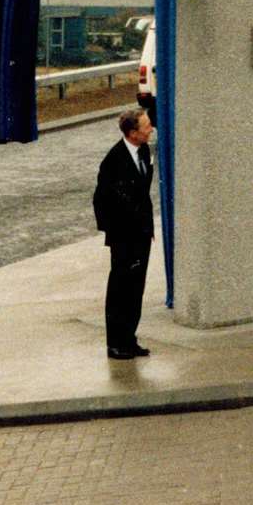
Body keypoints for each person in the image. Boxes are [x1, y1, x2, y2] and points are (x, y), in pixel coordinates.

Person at [92, 109, 155, 359]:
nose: (151, 129)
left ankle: (129, 338)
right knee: (120, 289)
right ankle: (115, 343)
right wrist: (116, 233)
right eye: (147, 126)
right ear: (133, 133)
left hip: (141, 233)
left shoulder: (143, 151)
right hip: (124, 237)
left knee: (136, 288)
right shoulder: (113, 161)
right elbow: (101, 200)